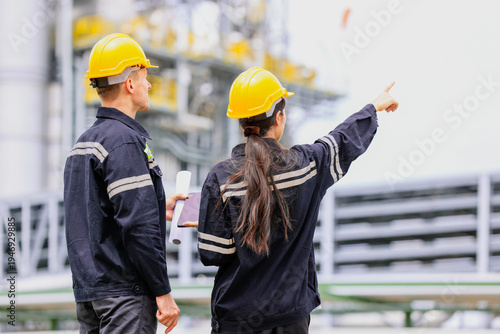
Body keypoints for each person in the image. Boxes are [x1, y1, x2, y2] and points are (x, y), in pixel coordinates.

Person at [185, 67, 398, 333]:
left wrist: (207, 218)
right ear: (279, 117)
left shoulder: (221, 177)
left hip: (237, 319)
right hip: (289, 319)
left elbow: (213, 253)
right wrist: (373, 108)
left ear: (239, 122)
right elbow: (340, 141)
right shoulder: (306, 167)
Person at [64, 33, 183, 334]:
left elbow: (96, 215)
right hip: (125, 297)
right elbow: (138, 227)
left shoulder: (84, 144)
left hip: (91, 295)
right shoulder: (124, 142)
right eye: (144, 77)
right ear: (130, 83)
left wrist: (158, 205)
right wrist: (163, 293)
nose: (149, 84)